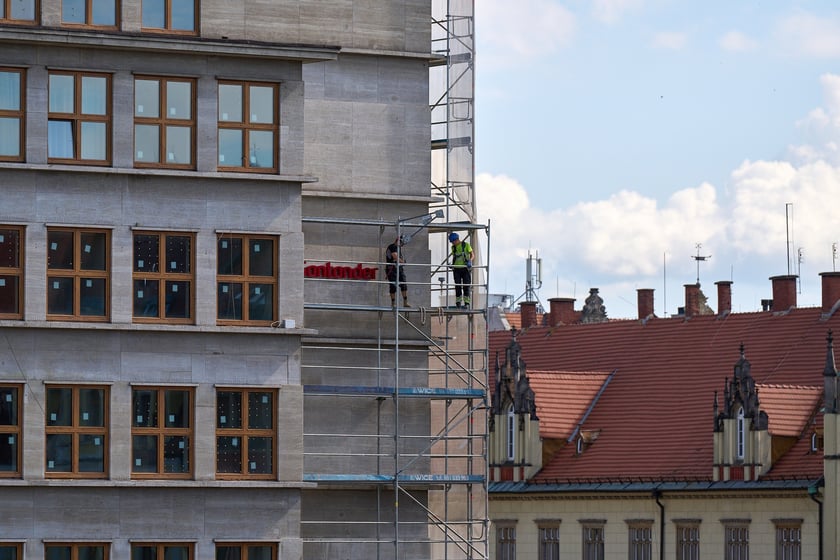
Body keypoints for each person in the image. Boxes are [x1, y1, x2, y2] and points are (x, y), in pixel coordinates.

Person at [449, 232, 474, 308]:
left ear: (456, 240)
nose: (453, 243)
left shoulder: (466, 245)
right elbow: (455, 257)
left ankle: (467, 303)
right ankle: (458, 302)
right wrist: (452, 265)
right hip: (456, 269)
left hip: (465, 268)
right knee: (458, 286)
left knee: (466, 285)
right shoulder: (453, 248)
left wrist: (470, 261)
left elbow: (472, 254)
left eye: (453, 242)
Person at [385, 235, 410, 308]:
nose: (402, 244)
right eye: (402, 242)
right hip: (392, 269)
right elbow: (395, 256)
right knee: (393, 285)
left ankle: (405, 302)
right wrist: (403, 262)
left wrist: (401, 262)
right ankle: (393, 303)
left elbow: (398, 258)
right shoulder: (392, 247)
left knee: (403, 284)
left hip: (399, 268)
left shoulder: (398, 248)